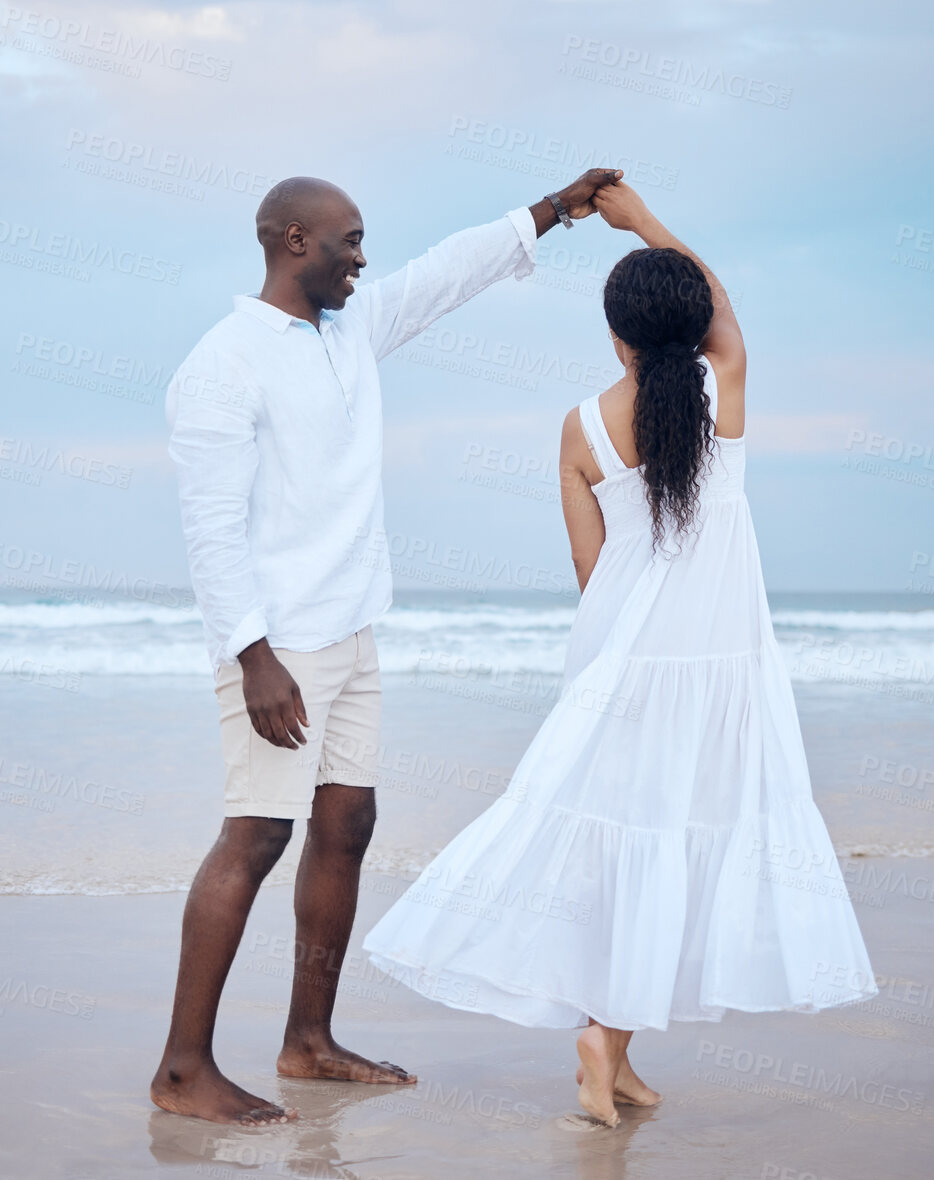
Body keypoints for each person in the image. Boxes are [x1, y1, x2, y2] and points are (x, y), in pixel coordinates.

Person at [361, 180, 879, 1125]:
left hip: (620, 659)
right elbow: (715, 299)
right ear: (694, 325)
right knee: (677, 842)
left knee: (625, 843)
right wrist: (639, 220)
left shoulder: (581, 426)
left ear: (614, 334)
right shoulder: (724, 384)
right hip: (717, 661)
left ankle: (616, 1048)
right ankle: (604, 1041)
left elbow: (588, 566)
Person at [152, 168, 626, 1126]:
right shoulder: (223, 361)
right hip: (278, 644)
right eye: (348, 242)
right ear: (293, 242)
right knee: (256, 835)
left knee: (347, 826)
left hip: (353, 621)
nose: (363, 259)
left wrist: (551, 210)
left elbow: (444, 275)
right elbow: (208, 526)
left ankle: (308, 1041)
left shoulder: (349, 332)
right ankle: (181, 1069)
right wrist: (251, 656)